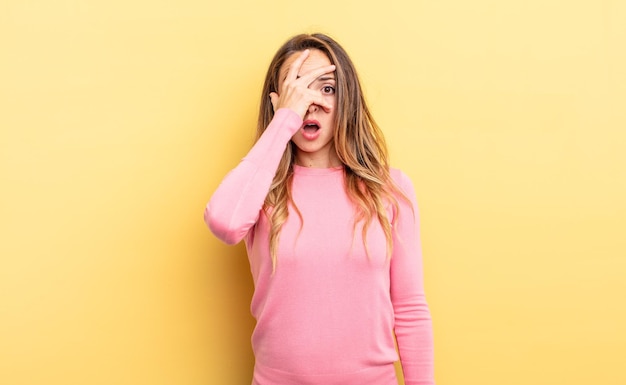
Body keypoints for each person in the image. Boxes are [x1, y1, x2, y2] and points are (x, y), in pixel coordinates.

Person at [204, 33, 434, 385]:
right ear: (279, 101)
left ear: (347, 100)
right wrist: (283, 122)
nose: (312, 102)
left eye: (326, 88)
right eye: (299, 88)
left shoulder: (391, 189)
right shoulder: (260, 190)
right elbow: (223, 222)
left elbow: (410, 310)